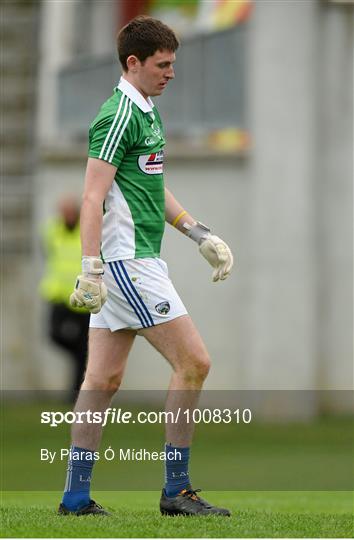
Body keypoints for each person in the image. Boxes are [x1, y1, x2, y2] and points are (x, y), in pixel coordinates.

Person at [58, 15, 233, 517]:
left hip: (132, 262)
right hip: (128, 265)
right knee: (194, 362)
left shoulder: (147, 109)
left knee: (102, 381)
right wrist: (91, 267)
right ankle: (176, 491)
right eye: (163, 64)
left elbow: (153, 186)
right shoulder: (118, 116)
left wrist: (197, 231)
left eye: (173, 63)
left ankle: (74, 498)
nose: (171, 72)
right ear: (133, 63)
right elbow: (92, 198)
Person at [40, 196, 90, 398]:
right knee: (54, 335)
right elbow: (48, 254)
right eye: (64, 211)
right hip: (59, 295)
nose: (66, 215)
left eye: (70, 211)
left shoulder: (86, 231)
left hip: (83, 299)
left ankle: (75, 395)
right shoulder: (51, 230)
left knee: (84, 350)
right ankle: (78, 353)